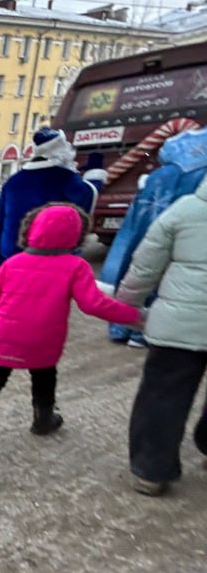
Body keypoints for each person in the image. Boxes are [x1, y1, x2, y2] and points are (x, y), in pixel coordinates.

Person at [0, 205, 141, 449]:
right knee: (44, 376)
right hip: (43, 338)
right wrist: (135, 316)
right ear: (76, 234)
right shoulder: (75, 266)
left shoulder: (13, 262)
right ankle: (43, 419)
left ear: (32, 229)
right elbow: (93, 304)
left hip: (4, 335)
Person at [117, 172, 207, 496]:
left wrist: (128, 306)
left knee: (163, 395)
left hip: (177, 325)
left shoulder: (184, 210)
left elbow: (146, 264)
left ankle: (151, 470)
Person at [100, 128, 207, 347]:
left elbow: (132, 232)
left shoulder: (159, 176)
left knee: (141, 262)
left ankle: (125, 326)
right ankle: (142, 332)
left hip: (149, 237)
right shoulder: (199, 176)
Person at [0, 127, 98, 287]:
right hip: (48, 254)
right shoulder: (64, 178)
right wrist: (95, 175)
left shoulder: (14, 180)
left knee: (13, 293)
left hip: (11, 252)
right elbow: (84, 199)